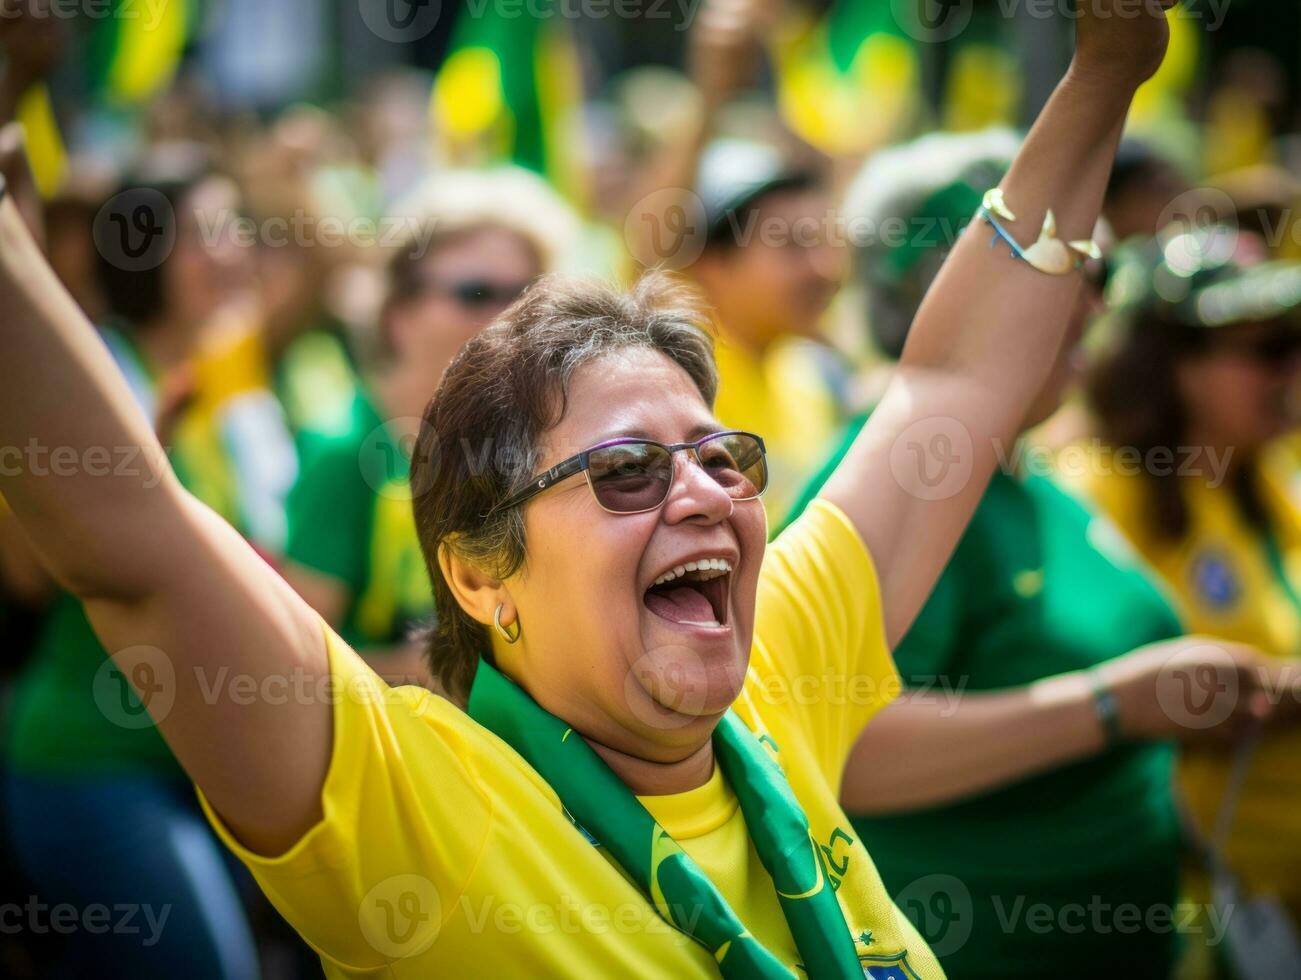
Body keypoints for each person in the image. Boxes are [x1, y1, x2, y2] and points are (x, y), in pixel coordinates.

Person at [0, 4, 1200, 975]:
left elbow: (951, 383)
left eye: (721, 454)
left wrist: (1104, 68)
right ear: (479, 572)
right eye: (626, 469)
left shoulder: (775, 671)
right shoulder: (414, 807)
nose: (699, 491)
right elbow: (133, 542)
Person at [783, 131, 1268, 979]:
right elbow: (835, 745)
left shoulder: (1032, 473)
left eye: (1104, 272)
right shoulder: (903, 486)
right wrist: (1116, 705)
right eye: (1066, 270)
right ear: (949, 296)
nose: (1094, 304)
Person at [2, 154, 296, 978]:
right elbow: (28, 574)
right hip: (93, 766)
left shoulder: (237, 380)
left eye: (237, 227)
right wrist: (139, 455)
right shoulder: (91, 371)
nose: (236, 251)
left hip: (214, 772)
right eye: (206, 234)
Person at [1073, 233, 1301, 928]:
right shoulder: (1098, 494)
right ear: (1170, 365)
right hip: (1181, 911)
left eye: (1294, 341)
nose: (1290, 371)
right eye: (1265, 351)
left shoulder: (1272, 476)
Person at [280, 169, 571, 680]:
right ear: (398, 313)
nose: (507, 318)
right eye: (476, 292)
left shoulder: (542, 445)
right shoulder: (344, 451)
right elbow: (292, 671)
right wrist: (439, 673)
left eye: (527, 295)